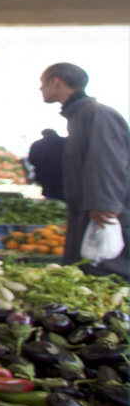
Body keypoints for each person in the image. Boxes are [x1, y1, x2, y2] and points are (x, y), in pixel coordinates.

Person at [40, 63, 129, 278]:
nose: (40, 89)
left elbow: (107, 161)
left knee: (108, 273)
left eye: (42, 84)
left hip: (105, 214)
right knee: (87, 269)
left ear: (56, 82)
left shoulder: (98, 114)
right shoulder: (79, 116)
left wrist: (103, 204)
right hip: (87, 211)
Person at [25, 128, 66, 201]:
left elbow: (32, 160)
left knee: (50, 199)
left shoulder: (37, 144)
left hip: (45, 176)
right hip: (64, 176)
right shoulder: (64, 142)